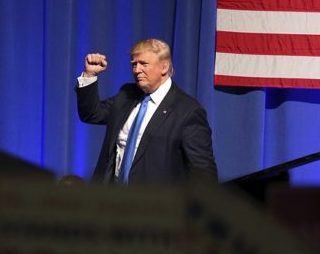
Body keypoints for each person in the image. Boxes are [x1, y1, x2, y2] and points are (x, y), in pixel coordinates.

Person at [76, 38, 218, 185]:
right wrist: (89, 75)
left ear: (164, 67)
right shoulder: (126, 95)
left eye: (143, 64)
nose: (136, 70)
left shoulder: (187, 111)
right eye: (134, 64)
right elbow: (92, 114)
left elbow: (203, 171)